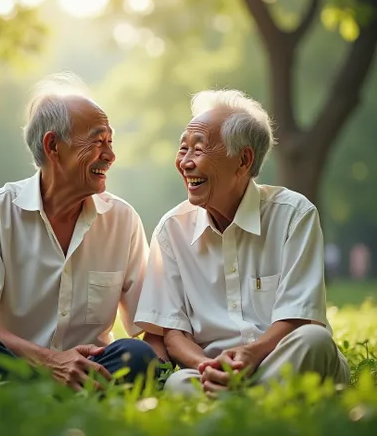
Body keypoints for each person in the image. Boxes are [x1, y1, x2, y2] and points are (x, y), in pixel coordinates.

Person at [0, 73, 165, 390]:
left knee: (137, 355)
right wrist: (48, 361)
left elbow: (152, 323)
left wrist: (159, 369)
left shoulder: (122, 219)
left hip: (92, 370)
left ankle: (36, 397)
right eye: (98, 141)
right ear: (53, 145)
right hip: (18, 363)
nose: (110, 155)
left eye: (110, 142)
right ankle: (49, 394)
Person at [134, 89, 350, 396]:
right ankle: (260, 402)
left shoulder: (294, 214)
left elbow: (299, 317)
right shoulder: (172, 230)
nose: (186, 162)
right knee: (179, 384)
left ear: (243, 160)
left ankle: (241, 404)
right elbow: (173, 334)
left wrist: (252, 354)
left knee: (315, 341)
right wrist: (207, 366)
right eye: (184, 149)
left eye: (199, 149)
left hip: (282, 358)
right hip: (212, 371)